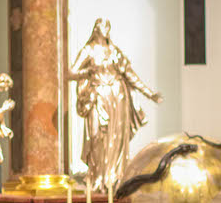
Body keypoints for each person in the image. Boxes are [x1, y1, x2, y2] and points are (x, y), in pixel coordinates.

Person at [69, 17, 163, 192]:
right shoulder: (88, 51)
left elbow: (130, 75)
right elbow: (70, 73)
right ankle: (98, 177)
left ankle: (114, 178)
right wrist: (88, 71)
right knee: (96, 136)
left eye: (107, 26)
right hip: (97, 97)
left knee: (116, 139)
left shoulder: (114, 52)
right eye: (100, 25)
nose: (104, 29)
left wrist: (149, 93)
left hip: (118, 97)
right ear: (95, 29)